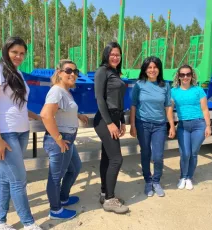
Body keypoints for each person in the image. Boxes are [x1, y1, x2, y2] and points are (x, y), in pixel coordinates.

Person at [0, 36, 42, 230]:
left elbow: (18, 105)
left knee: (6, 178)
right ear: (6, 50)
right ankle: (29, 224)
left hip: (20, 132)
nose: (18, 56)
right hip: (2, 135)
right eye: (15, 52)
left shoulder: (18, 74)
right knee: (18, 179)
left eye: (22, 53)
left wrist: (38, 117)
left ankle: (0, 222)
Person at [40, 59, 88, 219]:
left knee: (75, 168)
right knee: (56, 177)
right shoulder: (57, 91)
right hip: (60, 141)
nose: (73, 74)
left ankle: (63, 197)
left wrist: (78, 114)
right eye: (68, 71)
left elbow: (64, 110)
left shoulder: (65, 91)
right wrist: (58, 139)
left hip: (68, 139)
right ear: (59, 72)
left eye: (75, 71)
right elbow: (46, 115)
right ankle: (56, 210)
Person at [129, 56, 175, 197]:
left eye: (155, 67)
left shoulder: (165, 86)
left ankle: (156, 181)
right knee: (145, 153)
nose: (152, 70)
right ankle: (148, 181)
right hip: (142, 123)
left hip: (159, 125)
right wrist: (132, 125)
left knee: (158, 155)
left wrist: (171, 125)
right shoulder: (139, 85)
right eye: (149, 67)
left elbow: (168, 106)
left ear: (159, 69)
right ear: (145, 69)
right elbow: (133, 105)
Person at [93, 42, 129, 214]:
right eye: (112, 54)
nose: (115, 57)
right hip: (104, 120)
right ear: (106, 55)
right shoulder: (102, 71)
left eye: (118, 54)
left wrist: (121, 121)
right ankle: (109, 199)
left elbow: (119, 100)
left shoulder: (115, 73)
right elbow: (100, 99)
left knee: (108, 158)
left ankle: (104, 193)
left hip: (115, 118)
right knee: (117, 159)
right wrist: (109, 123)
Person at [171, 64, 211, 190]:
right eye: (182, 74)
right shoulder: (173, 91)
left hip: (199, 125)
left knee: (193, 153)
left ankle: (189, 177)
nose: (185, 77)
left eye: (188, 74)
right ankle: (182, 177)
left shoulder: (198, 90)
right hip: (183, 125)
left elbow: (205, 109)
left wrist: (208, 126)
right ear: (178, 76)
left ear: (192, 75)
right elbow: (169, 109)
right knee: (185, 154)